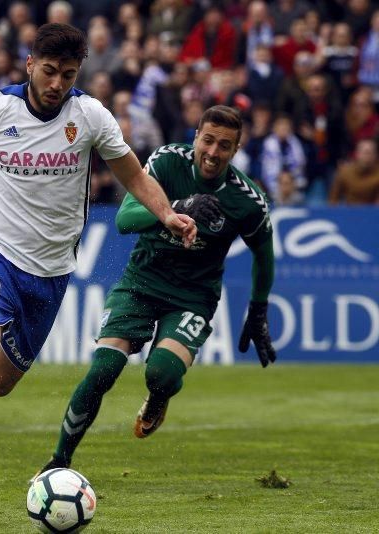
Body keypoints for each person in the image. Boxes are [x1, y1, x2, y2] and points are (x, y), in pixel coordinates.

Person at [0, 23, 194, 525]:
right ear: (30, 64)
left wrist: (166, 215)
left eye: (68, 75)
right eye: (49, 71)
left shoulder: (90, 116)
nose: (57, 83)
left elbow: (134, 174)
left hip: (51, 272)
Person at [35, 105, 277, 477]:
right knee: (104, 368)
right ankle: (59, 461)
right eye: (208, 141)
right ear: (195, 137)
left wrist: (258, 311)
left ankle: (158, 399)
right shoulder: (166, 162)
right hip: (142, 281)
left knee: (161, 374)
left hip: (193, 297)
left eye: (224, 146)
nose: (213, 152)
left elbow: (265, 254)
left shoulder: (247, 200)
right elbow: (125, 219)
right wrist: (177, 206)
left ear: (236, 149)